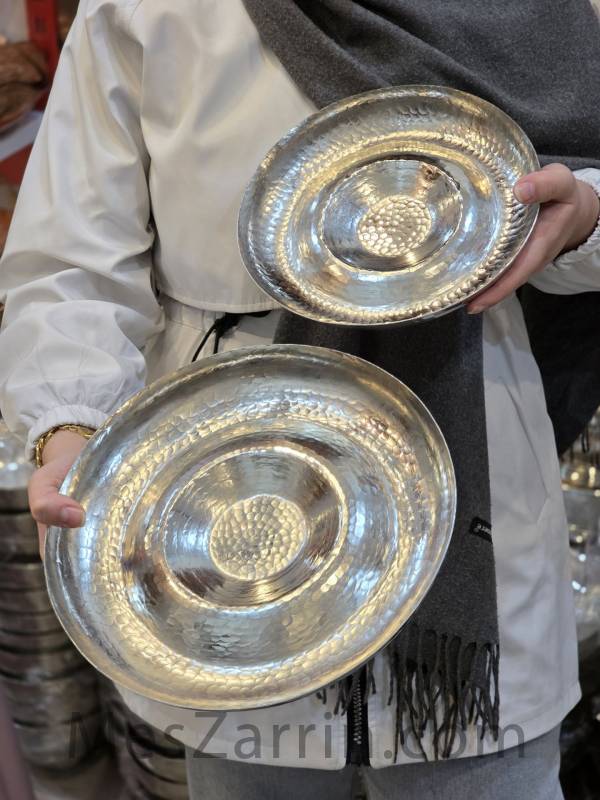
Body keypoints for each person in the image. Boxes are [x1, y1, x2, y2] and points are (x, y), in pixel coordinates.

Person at [1, 1, 600, 798]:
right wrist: (69, 424)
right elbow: (75, 254)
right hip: (222, 484)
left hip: (470, 449)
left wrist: (585, 214)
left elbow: (580, 178)